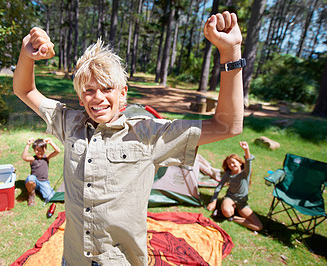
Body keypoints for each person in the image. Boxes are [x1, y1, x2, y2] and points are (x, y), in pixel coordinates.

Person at [13, 11, 244, 265]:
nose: (97, 97)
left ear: (123, 94)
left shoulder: (149, 134)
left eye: (107, 88)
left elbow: (227, 125)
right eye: (89, 91)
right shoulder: (69, 124)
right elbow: (24, 90)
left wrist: (230, 52)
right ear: (80, 98)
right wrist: (27, 55)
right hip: (74, 258)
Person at [207, 141, 263, 232]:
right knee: (227, 212)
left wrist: (246, 149)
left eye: (233, 162)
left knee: (258, 226)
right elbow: (219, 187)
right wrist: (213, 201)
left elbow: (248, 161)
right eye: (229, 164)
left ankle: (233, 218)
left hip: (242, 203)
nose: (231, 165)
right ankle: (228, 212)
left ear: (240, 163)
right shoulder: (228, 174)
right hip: (230, 198)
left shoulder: (245, 173)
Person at [22, 137, 61, 206]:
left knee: (50, 198)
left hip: (44, 182)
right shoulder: (33, 159)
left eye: (42, 150)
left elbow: (58, 151)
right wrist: (28, 145)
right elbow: (24, 157)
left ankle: (39, 190)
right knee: (30, 179)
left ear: (45, 149)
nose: (39, 152)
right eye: (37, 150)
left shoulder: (46, 157)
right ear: (34, 150)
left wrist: (50, 142)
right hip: (34, 181)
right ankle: (31, 194)